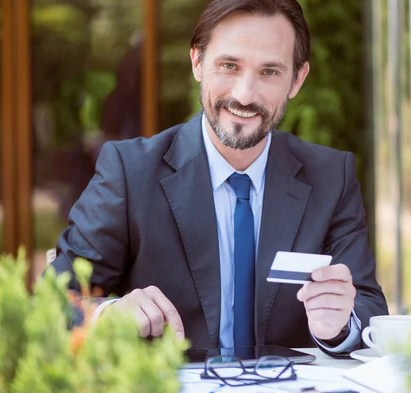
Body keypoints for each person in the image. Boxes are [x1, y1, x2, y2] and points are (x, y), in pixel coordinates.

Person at [51, 0, 388, 357]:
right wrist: (108, 314)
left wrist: (340, 327)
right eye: (229, 65)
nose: (245, 94)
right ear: (197, 61)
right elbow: (52, 303)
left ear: (297, 79)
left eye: (270, 72)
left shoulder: (331, 177)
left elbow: (368, 307)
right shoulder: (129, 172)